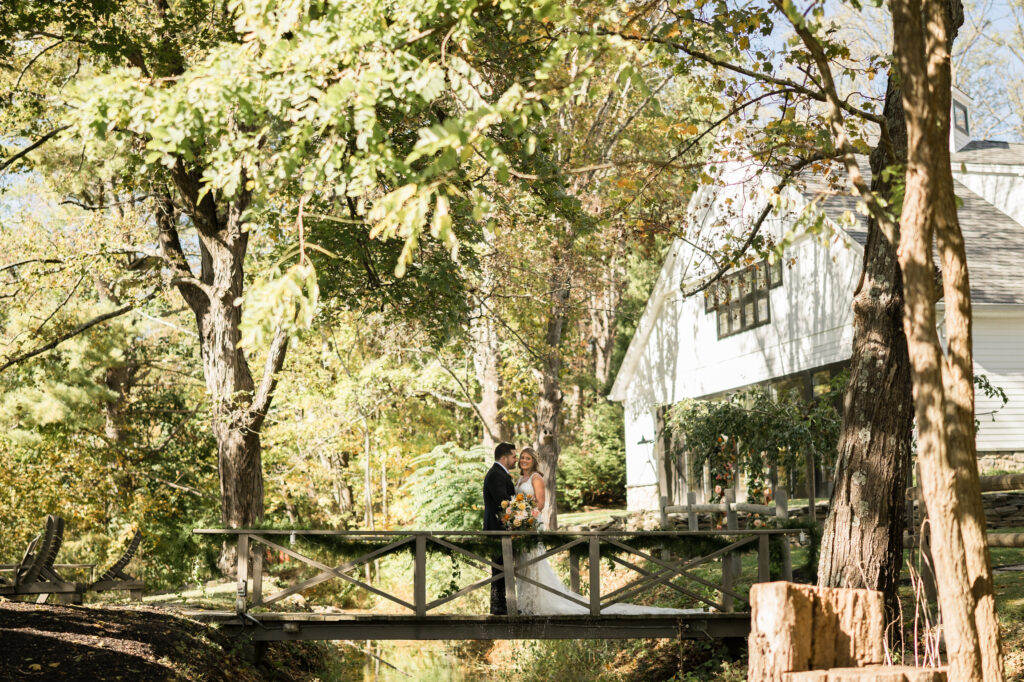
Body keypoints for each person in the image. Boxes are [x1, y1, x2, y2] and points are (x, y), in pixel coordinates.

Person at [512, 447, 700, 616]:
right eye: (522, 458)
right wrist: (516, 515)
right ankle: (525, 601)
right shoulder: (520, 479)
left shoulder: (536, 478)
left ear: (534, 461)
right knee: (524, 562)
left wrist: (527, 515)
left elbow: (541, 503)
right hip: (521, 524)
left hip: (531, 523)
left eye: (527, 458)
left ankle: (536, 602)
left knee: (534, 561)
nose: (524, 460)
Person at [483, 441, 517, 615]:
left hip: (500, 527)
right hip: (497, 528)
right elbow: (502, 502)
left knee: (501, 566)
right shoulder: (496, 474)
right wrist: (515, 518)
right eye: (513, 456)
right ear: (504, 458)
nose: (516, 460)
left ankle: (500, 605)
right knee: (499, 566)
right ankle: (498, 606)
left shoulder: (499, 473)